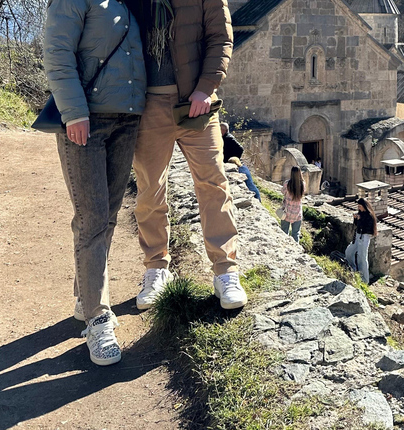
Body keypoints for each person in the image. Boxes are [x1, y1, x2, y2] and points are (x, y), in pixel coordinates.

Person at [43, 0, 146, 365]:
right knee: (92, 219)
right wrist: (73, 111)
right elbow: (57, 51)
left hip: (127, 120)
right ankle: (98, 318)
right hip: (86, 121)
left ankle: (84, 295)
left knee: (111, 215)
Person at [128, 0, 249, 311]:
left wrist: (206, 89)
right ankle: (156, 268)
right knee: (149, 189)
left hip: (198, 104)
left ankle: (225, 271)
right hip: (148, 105)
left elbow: (221, 38)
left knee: (214, 182)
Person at [345, 198, 378, 285]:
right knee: (349, 251)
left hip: (364, 237)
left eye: (360, 206)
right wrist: (356, 219)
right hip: (358, 236)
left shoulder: (369, 216)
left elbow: (367, 228)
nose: (359, 208)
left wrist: (360, 219)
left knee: (362, 257)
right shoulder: (361, 214)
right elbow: (357, 225)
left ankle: (364, 279)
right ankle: (353, 268)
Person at [281, 166, 305, 243]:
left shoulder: (287, 184)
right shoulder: (303, 184)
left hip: (286, 212)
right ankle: (296, 251)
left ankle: (284, 248)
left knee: (284, 232)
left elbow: (283, 192)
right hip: (297, 213)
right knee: (296, 234)